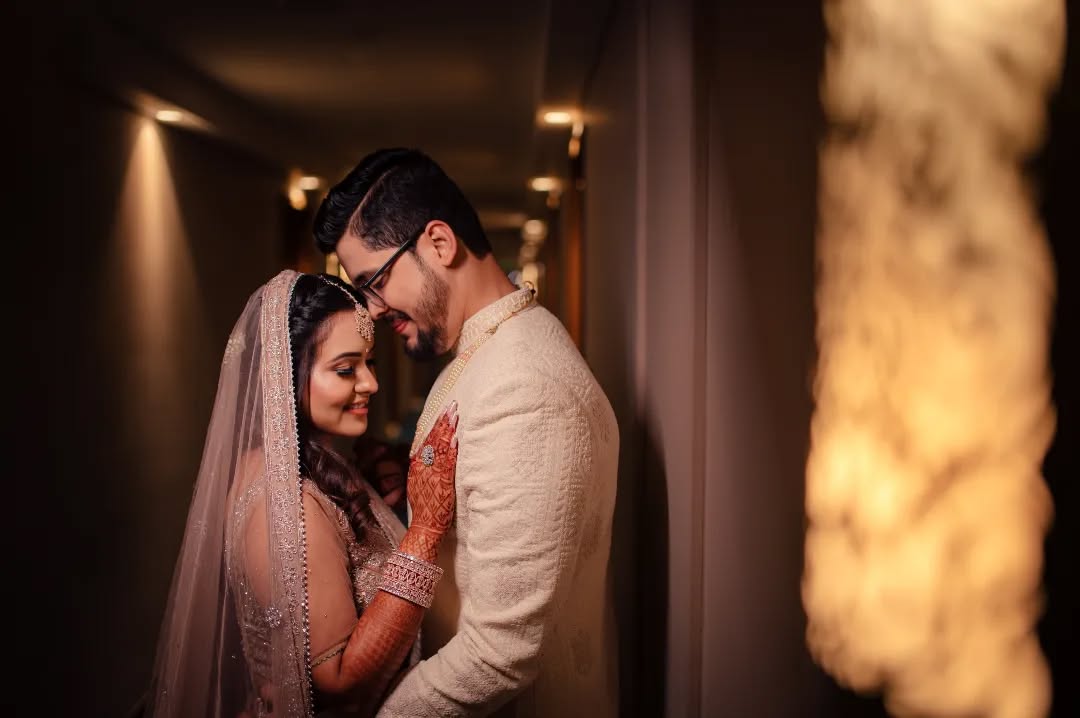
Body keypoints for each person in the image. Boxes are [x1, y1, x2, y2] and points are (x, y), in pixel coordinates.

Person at [313, 149, 620, 717]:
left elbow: (501, 652)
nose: (371, 311)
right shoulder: (490, 348)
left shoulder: (525, 387)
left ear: (439, 243)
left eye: (373, 282)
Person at [146, 270, 460, 717]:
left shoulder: (293, 465)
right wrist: (425, 531)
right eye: (346, 369)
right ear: (286, 376)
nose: (370, 383)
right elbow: (337, 679)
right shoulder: (291, 503)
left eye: (369, 363)